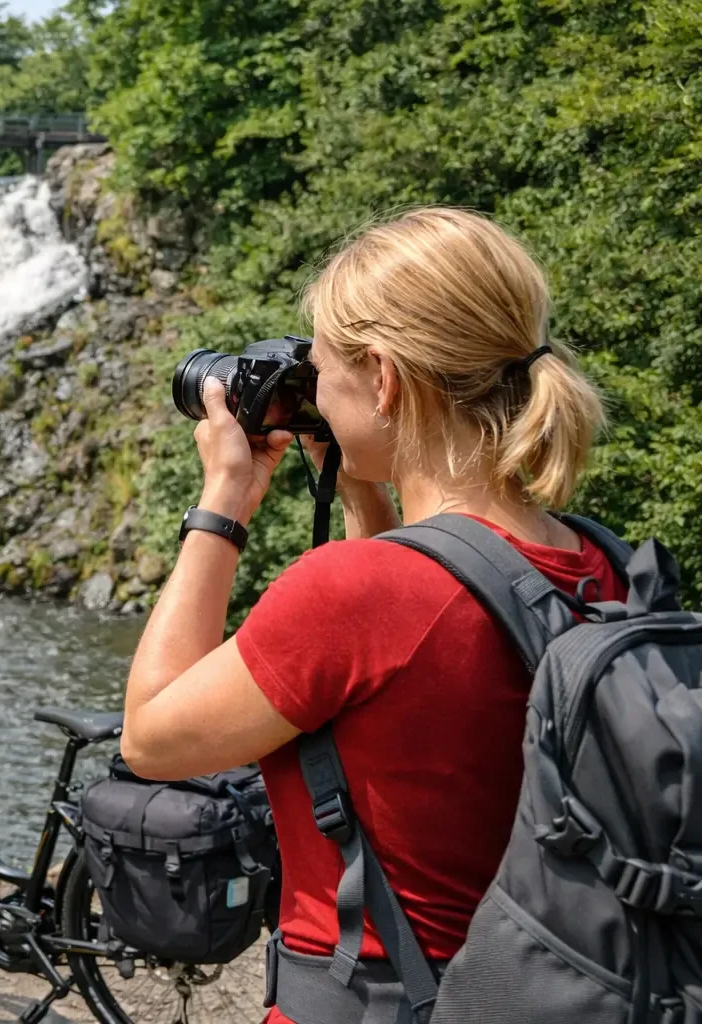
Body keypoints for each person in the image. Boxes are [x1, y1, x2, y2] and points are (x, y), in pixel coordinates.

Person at [120, 207, 622, 1023]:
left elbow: (150, 739)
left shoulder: (354, 594)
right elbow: (399, 677)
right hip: (542, 991)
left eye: (318, 370)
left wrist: (224, 503)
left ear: (382, 379)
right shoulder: (595, 564)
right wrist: (360, 483)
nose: (310, 391)